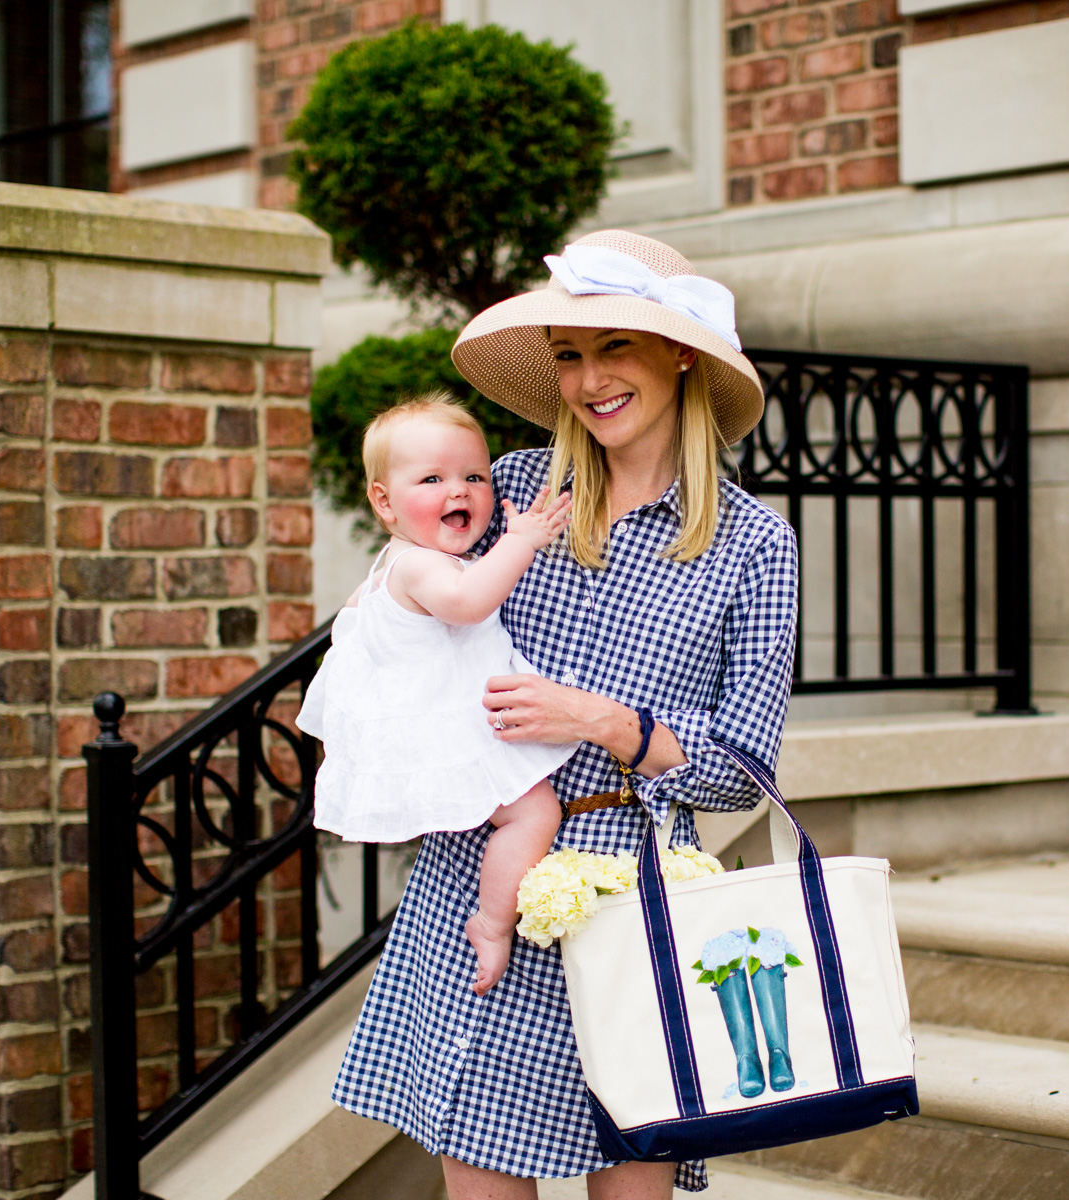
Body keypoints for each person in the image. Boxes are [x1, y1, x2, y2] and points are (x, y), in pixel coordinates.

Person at [331, 230, 799, 1199]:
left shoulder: (755, 544)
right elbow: (397, 621)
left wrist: (600, 718)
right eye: (569, 356)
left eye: (614, 348)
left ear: (682, 354)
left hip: (635, 901)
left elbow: (744, 768)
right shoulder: (502, 492)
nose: (589, 382)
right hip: (485, 885)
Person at [296, 394, 576, 994]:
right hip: (459, 725)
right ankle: (494, 923)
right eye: (432, 478)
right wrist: (522, 539)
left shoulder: (391, 564)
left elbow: (354, 627)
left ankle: (492, 920)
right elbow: (470, 601)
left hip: (440, 716)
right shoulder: (422, 567)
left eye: (475, 476)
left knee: (524, 815)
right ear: (384, 502)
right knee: (536, 813)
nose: (461, 491)